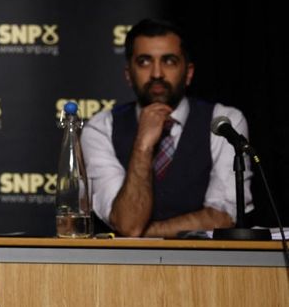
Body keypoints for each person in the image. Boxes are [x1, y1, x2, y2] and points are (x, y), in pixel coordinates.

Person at [82, 19, 250, 238]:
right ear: (128, 74)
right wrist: (143, 145)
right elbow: (127, 223)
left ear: (188, 73)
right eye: (144, 62)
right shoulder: (100, 129)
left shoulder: (224, 121)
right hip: (122, 269)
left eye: (169, 61)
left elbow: (223, 218)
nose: (157, 74)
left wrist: (148, 234)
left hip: (204, 267)